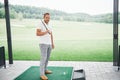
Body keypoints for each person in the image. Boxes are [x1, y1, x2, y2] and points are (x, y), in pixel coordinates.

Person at [36, 13, 54, 80]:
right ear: (44, 17)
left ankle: (45, 70)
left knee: (47, 58)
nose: (48, 19)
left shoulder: (50, 24)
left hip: (49, 43)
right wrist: (46, 32)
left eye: (49, 17)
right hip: (43, 43)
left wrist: (52, 43)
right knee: (43, 58)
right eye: (46, 17)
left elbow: (51, 34)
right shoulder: (40, 23)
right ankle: (42, 74)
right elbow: (37, 33)